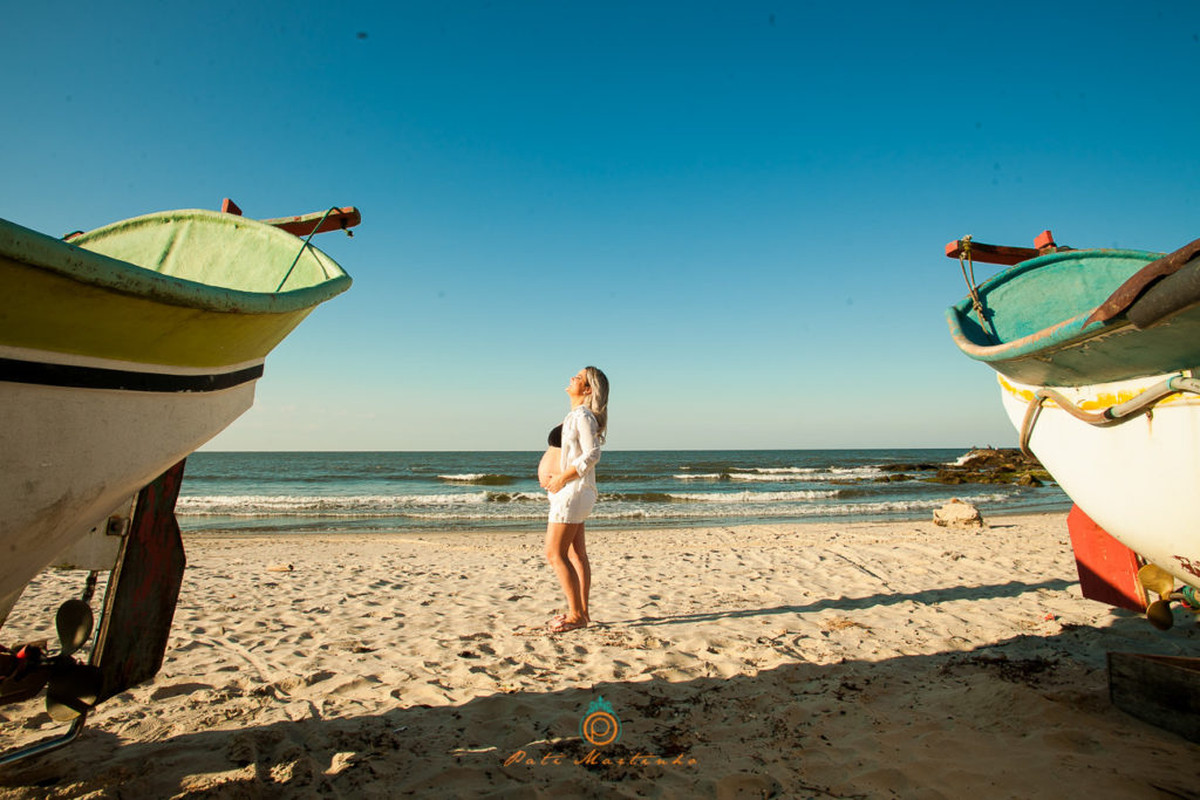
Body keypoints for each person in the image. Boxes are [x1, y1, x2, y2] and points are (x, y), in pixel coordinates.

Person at [539, 366, 609, 633]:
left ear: (588, 389)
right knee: (576, 554)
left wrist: (562, 478)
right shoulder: (575, 415)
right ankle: (582, 612)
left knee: (554, 554)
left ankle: (576, 614)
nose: (571, 378)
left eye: (578, 377)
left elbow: (593, 454)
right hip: (569, 492)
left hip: (571, 491)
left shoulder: (583, 416)